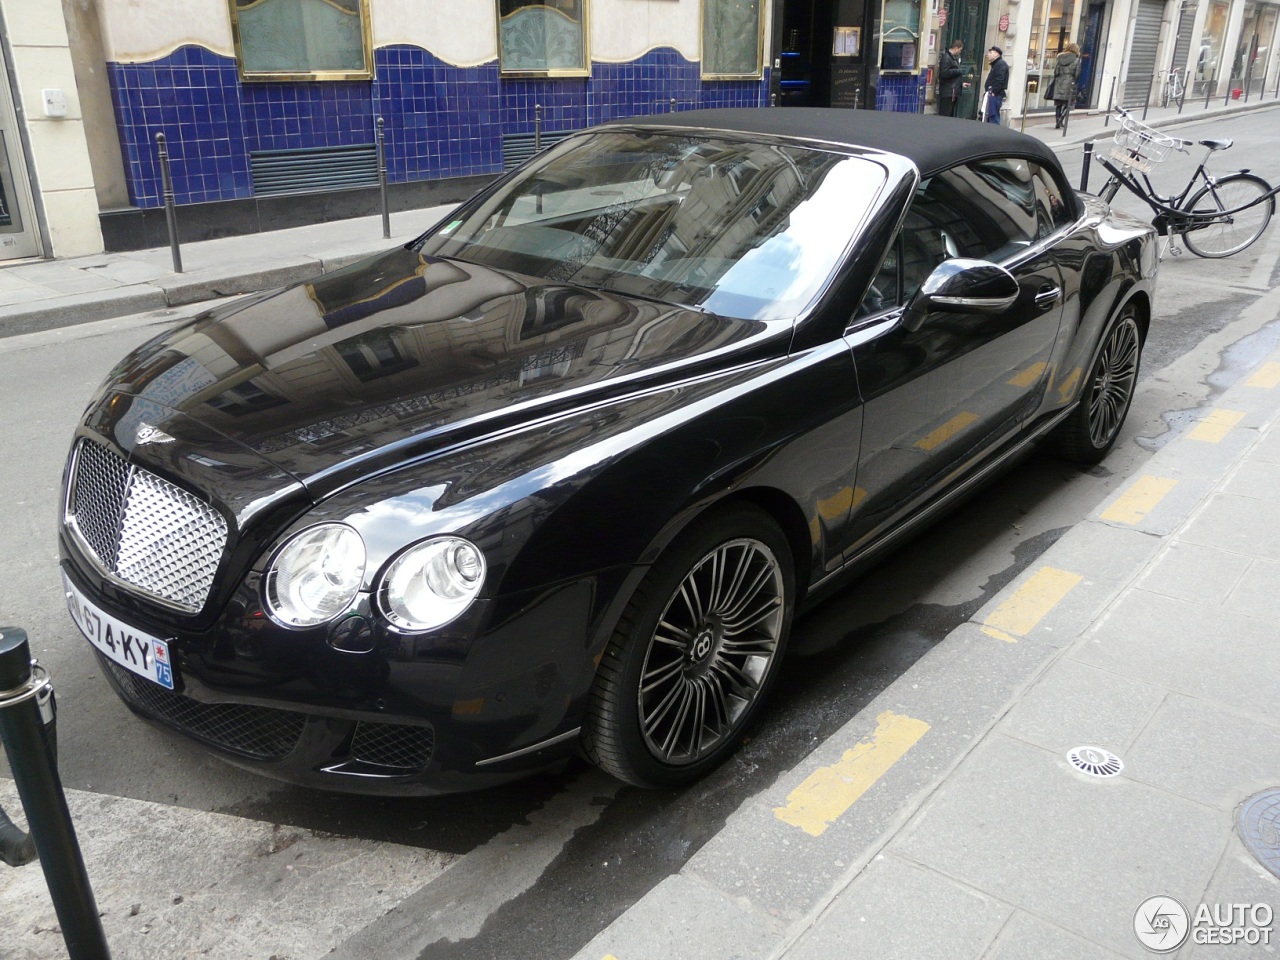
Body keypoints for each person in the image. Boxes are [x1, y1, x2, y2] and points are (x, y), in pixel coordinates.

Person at [1049, 43, 1081, 128]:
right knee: (1068, 104)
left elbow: (1056, 72)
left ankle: (1057, 121)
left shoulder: (1060, 58)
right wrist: (1074, 81)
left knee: (1058, 104)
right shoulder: (1076, 60)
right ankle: (1061, 120)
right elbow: (1077, 73)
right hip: (1070, 83)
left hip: (1059, 82)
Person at [937, 40, 965, 116]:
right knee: (945, 113)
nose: (960, 52)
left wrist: (961, 84)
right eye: (960, 50)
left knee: (949, 114)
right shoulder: (946, 58)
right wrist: (958, 71)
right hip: (948, 92)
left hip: (952, 91)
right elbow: (944, 73)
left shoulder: (952, 58)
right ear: (956, 48)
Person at [984, 46, 1009, 123]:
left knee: (993, 117)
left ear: (996, 54)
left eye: (990, 52)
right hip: (992, 94)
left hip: (995, 95)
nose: (988, 54)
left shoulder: (1001, 64)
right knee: (990, 116)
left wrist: (994, 92)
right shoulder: (996, 64)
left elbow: (1000, 80)